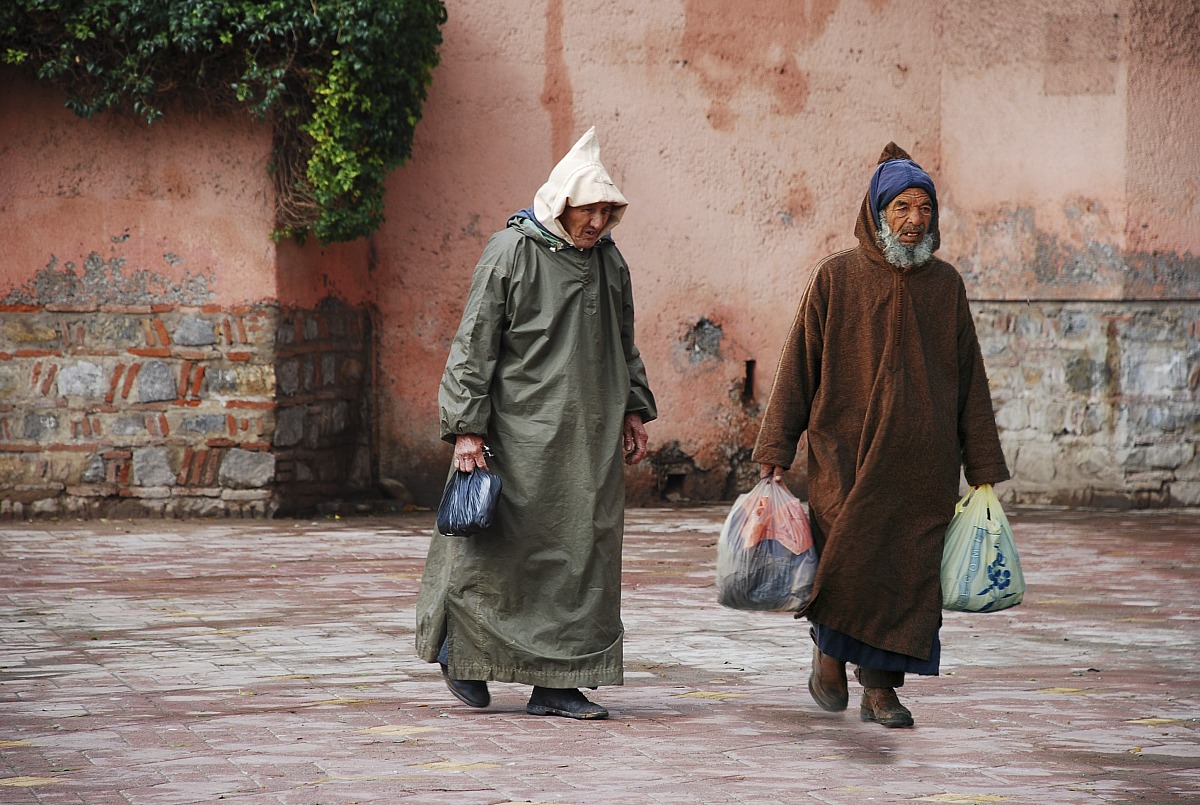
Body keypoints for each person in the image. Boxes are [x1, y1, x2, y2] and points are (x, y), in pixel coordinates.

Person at [752, 142, 1010, 728]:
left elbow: (970, 377)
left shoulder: (945, 286)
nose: (915, 221)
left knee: (906, 574)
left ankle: (882, 690)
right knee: (848, 554)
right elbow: (799, 365)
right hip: (843, 454)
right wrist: (775, 450)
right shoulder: (836, 278)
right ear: (877, 214)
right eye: (903, 209)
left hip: (921, 465)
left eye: (924, 209)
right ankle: (828, 653)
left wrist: (983, 465)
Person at [415, 127, 657, 721]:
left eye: (608, 210)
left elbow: (622, 342)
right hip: (515, 437)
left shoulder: (609, 262)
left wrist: (632, 407)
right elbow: (473, 346)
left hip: (589, 438)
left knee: (582, 555)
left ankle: (557, 683)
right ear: (562, 203)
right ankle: (463, 655)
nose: (599, 221)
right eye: (590, 209)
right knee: (497, 552)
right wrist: (467, 428)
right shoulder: (511, 252)